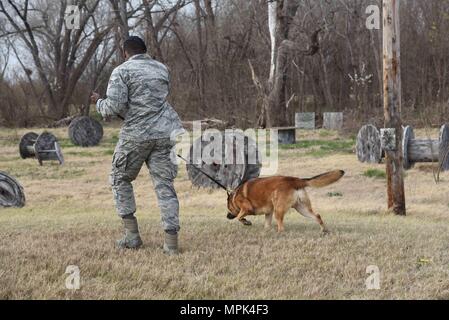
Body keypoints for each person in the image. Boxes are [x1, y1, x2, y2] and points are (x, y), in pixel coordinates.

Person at [90, 36, 184, 255]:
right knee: (165, 186)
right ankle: (171, 245)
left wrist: (98, 102)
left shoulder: (121, 71)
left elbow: (112, 108)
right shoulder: (162, 69)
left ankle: (132, 237)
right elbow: (154, 100)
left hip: (137, 135)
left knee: (119, 178)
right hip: (165, 133)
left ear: (125, 53)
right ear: (145, 50)